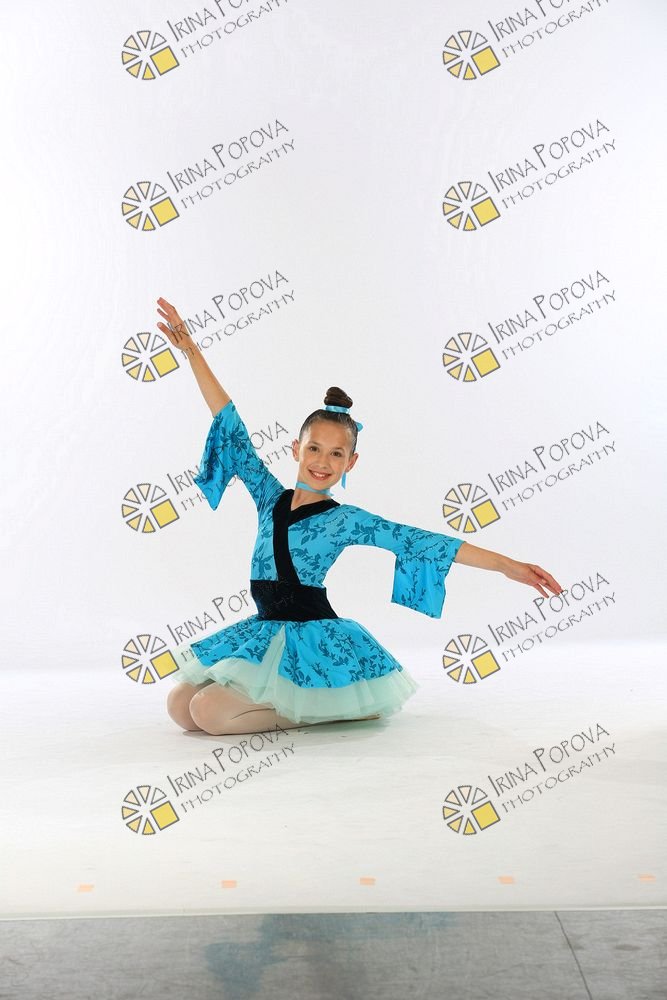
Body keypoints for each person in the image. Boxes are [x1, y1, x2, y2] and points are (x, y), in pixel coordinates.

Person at [157, 297, 564, 737]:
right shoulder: (268, 496)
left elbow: (419, 540)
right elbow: (230, 424)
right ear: (296, 449)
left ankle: (324, 706)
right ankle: (297, 702)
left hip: (311, 636)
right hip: (266, 629)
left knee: (210, 713)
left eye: (337, 454)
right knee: (181, 706)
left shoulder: (346, 520)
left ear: (351, 462)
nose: (323, 461)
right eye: (314, 448)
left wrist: (506, 565)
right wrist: (191, 351)